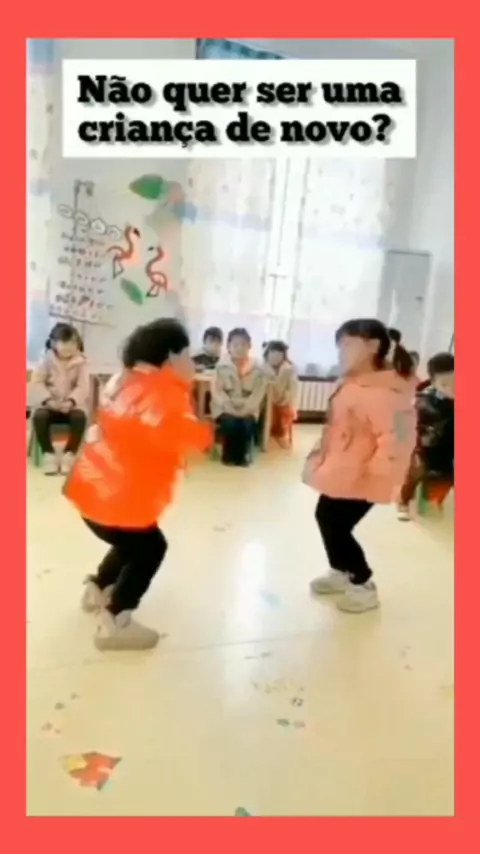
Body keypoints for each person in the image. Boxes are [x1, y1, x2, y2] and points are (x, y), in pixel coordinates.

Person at [63, 319, 213, 651]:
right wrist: (206, 432)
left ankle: (98, 588)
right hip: (119, 499)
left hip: (90, 492)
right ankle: (116, 619)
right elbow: (190, 438)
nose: (192, 361)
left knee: (132, 541)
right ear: (171, 356)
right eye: (187, 354)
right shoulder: (164, 395)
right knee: (150, 549)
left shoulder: (123, 379)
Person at [302, 318, 416, 613]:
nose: (341, 351)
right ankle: (341, 570)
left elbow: (399, 439)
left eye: (347, 344)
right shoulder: (354, 383)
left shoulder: (386, 392)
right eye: (339, 345)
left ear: (373, 346)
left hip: (365, 475)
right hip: (342, 470)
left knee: (336, 525)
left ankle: (362, 582)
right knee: (326, 517)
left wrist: (377, 473)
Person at [397, 352, 454, 521]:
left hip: (447, 448)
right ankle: (403, 501)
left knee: (443, 479)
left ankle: (429, 499)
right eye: (445, 384)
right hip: (422, 446)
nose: (452, 388)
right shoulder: (423, 402)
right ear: (434, 384)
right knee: (416, 470)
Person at [31, 323, 89, 475]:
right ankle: (48, 453)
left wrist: (71, 402)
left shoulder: (81, 362)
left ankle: (69, 454)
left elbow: (83, 386)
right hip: (49, 406)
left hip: (71, 407)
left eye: (73, 342)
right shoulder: (45, 360)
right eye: (64, 342)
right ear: (53, 343)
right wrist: (49, 401)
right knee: (39, 416)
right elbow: (37, 383)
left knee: (80, 417)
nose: (69, 347)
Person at [211, 328, 267, 466]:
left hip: (248, 408)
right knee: (230, 422)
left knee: (246, 423)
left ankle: (243, 456)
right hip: (225, 407)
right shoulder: (220, 367)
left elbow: (258, 394)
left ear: (249, 346)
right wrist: (228, 407)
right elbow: (217, 391)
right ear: (228, 346)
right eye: (235, 345)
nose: (239, 348)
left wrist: (245, 409)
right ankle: (228, 456)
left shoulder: (258, 369)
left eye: (243, 344)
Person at [263, 340, 298, 449]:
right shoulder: (261, 368)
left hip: (283, 399)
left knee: (283, 410)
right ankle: (265, 434)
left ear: (284, 356)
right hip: (265, 401)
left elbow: (292, 388)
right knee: (268, 411)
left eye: (279, 354)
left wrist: (285, 398)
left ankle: (281, 435)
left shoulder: (289, 369)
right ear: (267, 354)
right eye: (272, 353)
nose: (275, 357)